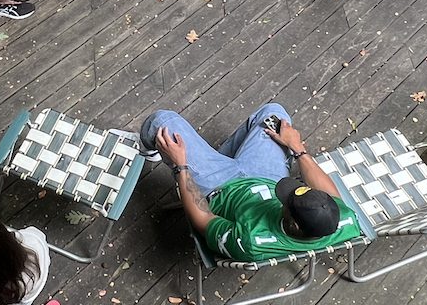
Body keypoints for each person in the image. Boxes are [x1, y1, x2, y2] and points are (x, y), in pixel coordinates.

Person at [138, 104, 363, 262]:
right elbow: (330, 195)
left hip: (219, 188)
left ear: (293, 225)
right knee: (274, 115)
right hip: (267, 177)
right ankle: (219, 158)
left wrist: (181, 166)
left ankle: (156, 151)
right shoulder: (343, 220)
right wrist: (297, 148)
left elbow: (202, 218)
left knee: (162, 123)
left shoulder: (249, 241)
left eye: (286, 200)